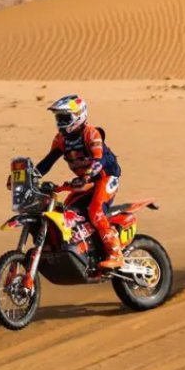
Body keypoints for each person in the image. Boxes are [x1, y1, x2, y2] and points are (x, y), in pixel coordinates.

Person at [35, 95, 124, 269]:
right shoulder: (61, 139)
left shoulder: (91, 133)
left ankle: (116, 254)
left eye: (65, 117)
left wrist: (88, 174)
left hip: (105, 178)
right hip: (84, 182)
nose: (60, 122)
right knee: (67, 213)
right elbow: (47, 162)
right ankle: (83, 248)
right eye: (58, 118)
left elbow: (99, 159)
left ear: (78, 115)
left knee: (96, 211)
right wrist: (30, 175)